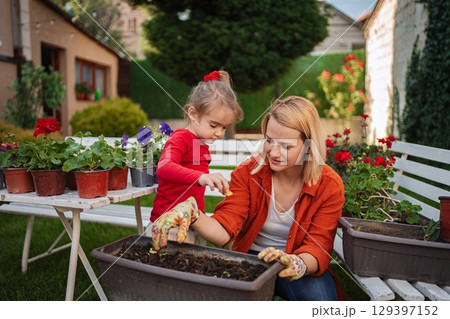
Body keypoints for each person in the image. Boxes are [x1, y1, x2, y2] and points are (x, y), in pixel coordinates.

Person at [152, 96, 346, 301]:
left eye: (286, 146)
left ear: (308, 146)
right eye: (269, 141)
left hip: (298, 261)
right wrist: (194, 214)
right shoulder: (249, 173)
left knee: (320, 300)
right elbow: (224, 229)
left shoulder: (328, 185)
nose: (274, 152)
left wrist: (297, 263)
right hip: (252, 258)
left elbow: (319, 246)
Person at [150, 70, 244, 223]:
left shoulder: (200, 142)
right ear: (193, 114)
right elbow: (164, 167)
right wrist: (202, 177)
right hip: (168, 221)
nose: (219, 133)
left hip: (193, 220)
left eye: (224, 127)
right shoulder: (180, 137)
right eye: (214, 125)